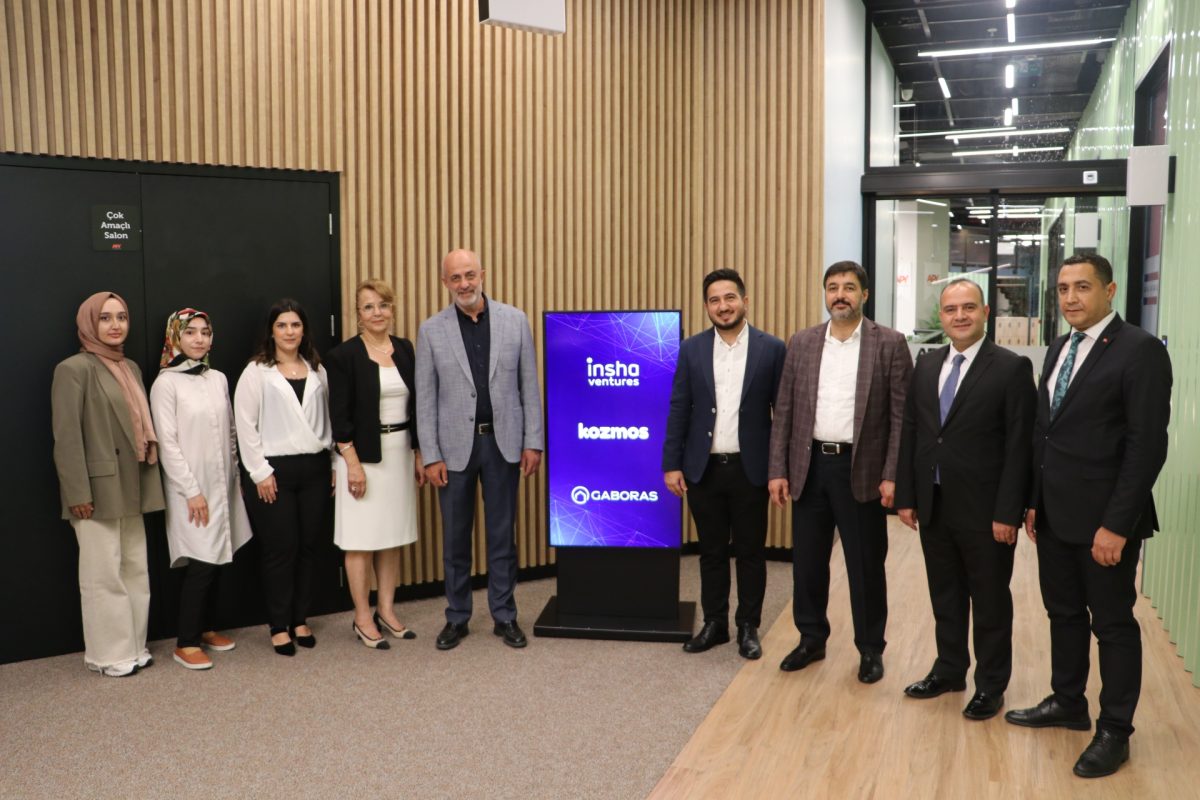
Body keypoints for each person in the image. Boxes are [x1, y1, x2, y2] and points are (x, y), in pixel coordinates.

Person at [1005, 254, 1172, 778]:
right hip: (1055, 514)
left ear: (1110, 290)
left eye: (1082, 287)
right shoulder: (1061, 347)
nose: (1070, 298)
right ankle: (1067, 701)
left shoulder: (1140, 350)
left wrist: (1117, 525)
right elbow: (1045, 432)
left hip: (1105, 522)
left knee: (1113, 625)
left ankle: (1115, 731)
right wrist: (1034, 500)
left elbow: (1147, 446)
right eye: (1063, 289)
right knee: (1064, 613)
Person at [894, 279, 1035, 719]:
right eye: (951, 309)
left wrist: (1008, 511)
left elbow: (1020, 446)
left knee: (989, 602)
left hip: (986, 511)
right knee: (945, 594)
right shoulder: (926, 364)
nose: (959, 316)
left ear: (985, 312)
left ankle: (991, 685)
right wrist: (906, 495)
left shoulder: (1010, 368)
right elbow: (913, 432)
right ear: (941, 315)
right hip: (934, 503)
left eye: (968, 307)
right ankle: (950, 669)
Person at [767, 261, 912, 683]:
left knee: (865, 566)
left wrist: (893, 474)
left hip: (861, 470)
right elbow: (784, 410)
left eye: (849, 287)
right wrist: (778, 468)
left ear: (864, 294)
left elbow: (901, 417)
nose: (840, 295)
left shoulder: (889, 344)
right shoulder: (803, 342)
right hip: (809, 467)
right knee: (808, 564)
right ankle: (811, 638)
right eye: (832, 287)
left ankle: (870, 648)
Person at [416, 248, 543, 651]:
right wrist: (431, 454)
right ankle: (457, 616)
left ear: (483, 274)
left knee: (502, 536)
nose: (464, 283)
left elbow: (528, 386)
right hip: (453, 450)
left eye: (469, 275)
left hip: (503, 445)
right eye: (455, 277)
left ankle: (505, 615)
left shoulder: (515, 320)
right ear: (445, 282)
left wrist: (533, 442)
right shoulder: (431, 330)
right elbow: (425, 398)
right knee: (456, 539)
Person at [662, 268, 786, 659]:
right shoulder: (691, 349)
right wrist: (672, 463)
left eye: (729, 298)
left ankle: (748, 626)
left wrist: (779, 469)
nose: (723, 306)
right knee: (712, 552)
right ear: (706, 306)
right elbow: (679, 407)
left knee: (750, 553)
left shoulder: (772, 348)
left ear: (744, 301)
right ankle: (715, 623)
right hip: (704, 468)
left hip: (752, 469)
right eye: (714, 300)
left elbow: (782, 414)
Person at [51, 291, 165, 677]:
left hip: (134, 480)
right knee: (102, 575)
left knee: (135, 568)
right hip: (95, 488)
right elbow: (66, 437)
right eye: (105, 318)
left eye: (121, 317)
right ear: (89, 323)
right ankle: (109, 655)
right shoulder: (73, 369)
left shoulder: (129, 367)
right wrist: (77, 492)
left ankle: (134, 645)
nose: (115, 325)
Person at [150, 308, 253, 670]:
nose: (199, 339)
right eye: (190, 332)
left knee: (221, 555)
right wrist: (191, 490)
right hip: (190, 488)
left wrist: (236, 477)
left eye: (205, 332)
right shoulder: (166, 384)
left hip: (223, 483)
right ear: (175, 337)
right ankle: (186, 641)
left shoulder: (218, 378)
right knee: (202, 561)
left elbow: (230, 432)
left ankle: (208, 628)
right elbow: (167, 443)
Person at [326, 279, 425, 650]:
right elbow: (339, 417)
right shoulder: (344, 356)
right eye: (368, 307)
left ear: (392, 309)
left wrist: (419, 452)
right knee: (360, 540)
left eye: (383, 305)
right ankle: (362, 615)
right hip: (362, 457)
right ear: (358, 314)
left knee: (390, 537)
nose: (377, 312)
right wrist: (351, 463)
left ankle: (386, 609)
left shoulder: (405, 349)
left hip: (399, 454)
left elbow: (417, 406)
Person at [234, 299, 332, 656]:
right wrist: (259, 472)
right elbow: (244, 426)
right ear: (271, 331)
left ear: (304, 330)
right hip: (273, 471)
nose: (289, 332)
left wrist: (335, 465)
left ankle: (300, 619)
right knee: (281, 549)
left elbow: (331, 421)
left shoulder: (318, 370)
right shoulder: (256, 372)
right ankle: (278, 625)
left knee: (308, 546)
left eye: (295, 325)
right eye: (282, 325)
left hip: (315, 468)